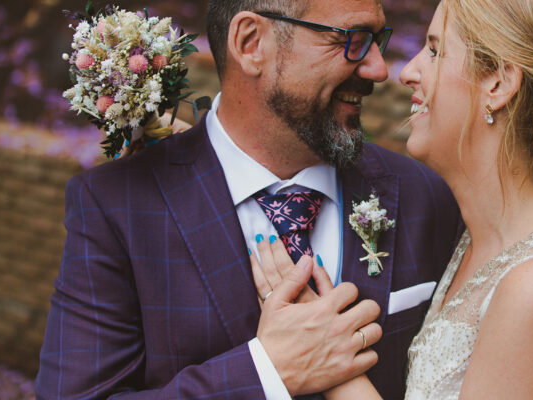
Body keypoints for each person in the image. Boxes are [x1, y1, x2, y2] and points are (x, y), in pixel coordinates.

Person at [34, 0, 463, 398]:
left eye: (376, 41)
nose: (377, 69)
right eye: (349, 40)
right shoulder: (117, 205)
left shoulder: (429, 194)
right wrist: (266, 372)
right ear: (251, 43)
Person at [254, 0, 533, 398]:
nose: (407, 72)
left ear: (499, 83)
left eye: (435, 51)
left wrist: (330, 356)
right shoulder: (487, 233)